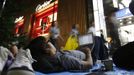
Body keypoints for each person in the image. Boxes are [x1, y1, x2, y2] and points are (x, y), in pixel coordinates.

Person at [25, 36, 93, 73]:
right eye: (49, 41)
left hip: (79, 51)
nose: (51, 42)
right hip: (88, 55)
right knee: (96, 38)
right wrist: (88, 52)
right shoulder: (64, 59)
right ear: (47, 50)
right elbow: (89, 64)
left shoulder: (54, 56)